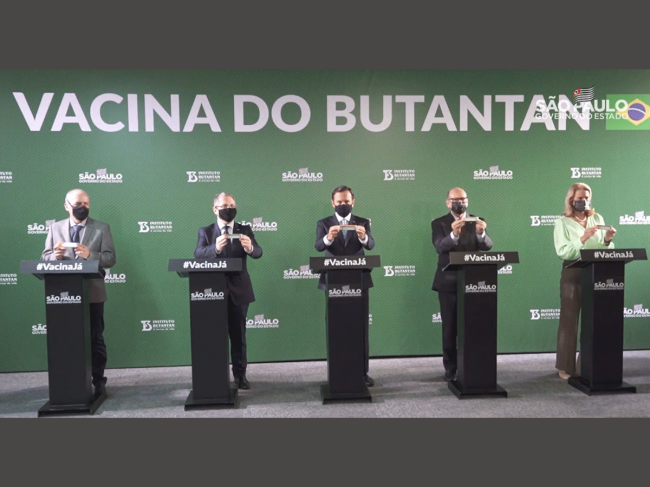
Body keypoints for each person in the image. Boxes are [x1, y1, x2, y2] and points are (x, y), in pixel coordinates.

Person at [41, 189, 116, 397]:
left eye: (86, 203)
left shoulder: (101, 228)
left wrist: (90, 254)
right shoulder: (55, 228)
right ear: (66, 206)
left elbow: (110, 258)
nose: (82, 207)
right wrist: (54, 257)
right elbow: (44, 257)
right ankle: (68, 381)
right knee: (65, 338)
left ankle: (98, 381)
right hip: (63, 294)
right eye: (77, 204)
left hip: (93, 292)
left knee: (95, 338)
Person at [194, 192, 263, 389]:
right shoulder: (206, 231)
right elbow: (198, 254)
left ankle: (240, 376)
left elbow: (258, 252)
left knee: (238, 336)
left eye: (232, 205)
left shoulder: (245, 229)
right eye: (224, 206)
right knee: (214, 336)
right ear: (215, 209)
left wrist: (250, 248)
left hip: (239, 291)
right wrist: (214, 249)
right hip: (213, 291)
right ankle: (215, 375)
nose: (229, 209)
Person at [553, 183, 616, 380]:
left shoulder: (597, 218)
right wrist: (581, 239)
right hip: (573, 272)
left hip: (595, 271)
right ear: (571, 199)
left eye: (587, 198)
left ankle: (587, 364)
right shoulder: (562, 222)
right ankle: (565, 367)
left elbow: (603, 250)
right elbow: (562, 251)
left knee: (592, 320)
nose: (584, 201)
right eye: (580, 198)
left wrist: (607, 240)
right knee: (569, 321)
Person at [315, 185, 376, 387]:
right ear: (333, 203)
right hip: (333, 281)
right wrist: (329, 237)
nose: (343, 205)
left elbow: (371, 245)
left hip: (359, 280)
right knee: (336, 328)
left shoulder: (363, 222)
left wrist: (363, 236)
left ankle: (362, 372)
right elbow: (318, 246)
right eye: (339, 202)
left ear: (353, 202)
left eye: (347, 202)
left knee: (360, 329)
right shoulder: (324, 223)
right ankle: (336, 371)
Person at [431, 187, 493, 382]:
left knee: (472, 326)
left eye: (463, 199)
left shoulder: (477, 220)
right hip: (448, 283)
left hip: (473, 282)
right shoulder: (439, 223)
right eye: (455, 200)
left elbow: (487, 246)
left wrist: (481, 234)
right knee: (450, 328)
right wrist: (454, 235)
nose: (460, 203)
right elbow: (439, 247)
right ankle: (450, 368)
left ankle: (472, 364)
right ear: (448, 202)